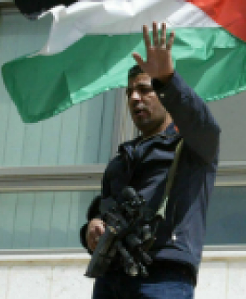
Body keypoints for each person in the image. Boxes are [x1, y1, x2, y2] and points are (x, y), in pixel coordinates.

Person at [80, 22, 221, 299]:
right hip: (111, 279)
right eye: (130, 92)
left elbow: (205, 126)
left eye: (145, 90)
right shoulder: (121, 160)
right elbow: (103, 211)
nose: (135, 98)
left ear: (164, 95)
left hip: (164, 276)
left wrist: (168, 79)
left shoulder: (191, 148)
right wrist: (92, 229)